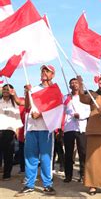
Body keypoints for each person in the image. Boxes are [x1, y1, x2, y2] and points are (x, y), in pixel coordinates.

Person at [16, 65, 63, 197]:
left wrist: (41, 115)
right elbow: (27, 106)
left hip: (46, 129)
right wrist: (27, 93)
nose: (44, 73)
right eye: (42, 70)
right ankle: (29, 185)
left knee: (46, 158)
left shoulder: (55, 91)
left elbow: (58, 109)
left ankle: (47, 185)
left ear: (52, 75)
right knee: (30, 157)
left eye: (47, 71)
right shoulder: (34, 89)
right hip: (31, 128)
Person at [63, 78, 90, 183]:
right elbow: (62, 110)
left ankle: (83, 174)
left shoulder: (85, 98)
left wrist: (80, 116)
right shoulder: (66, 97)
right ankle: (68, 175)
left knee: (83, 152)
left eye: (76, 83)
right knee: (68, 153)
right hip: (69, 128)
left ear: (80, 85)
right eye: (72, 83)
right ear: (69, 86)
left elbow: (88, 112)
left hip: (81, 128)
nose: (74, 84)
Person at [0, 84, 23, 180]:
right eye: (4, 89)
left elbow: (17, 118)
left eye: (7, 89)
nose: (5, 91)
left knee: (8, 154)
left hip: (9, 130)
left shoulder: (14, 104)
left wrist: (17, 131)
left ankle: (7, 174)